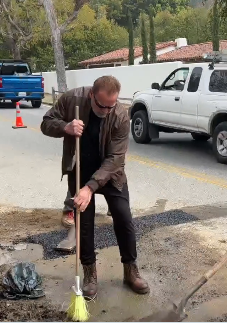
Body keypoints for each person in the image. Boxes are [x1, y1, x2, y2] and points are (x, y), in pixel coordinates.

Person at [40, 76, 149, 298]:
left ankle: (131, 270)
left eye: (111, 105)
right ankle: (90, 273)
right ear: (91, 95)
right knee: (84, 224)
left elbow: (116, 158)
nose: (107, 111)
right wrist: (65, 127)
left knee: (124, 217)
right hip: (80, 169)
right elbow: (46, 123)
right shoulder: (72, 99)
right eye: (102, 106)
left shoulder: (119, 114)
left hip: (110, 173)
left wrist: (90, 188)